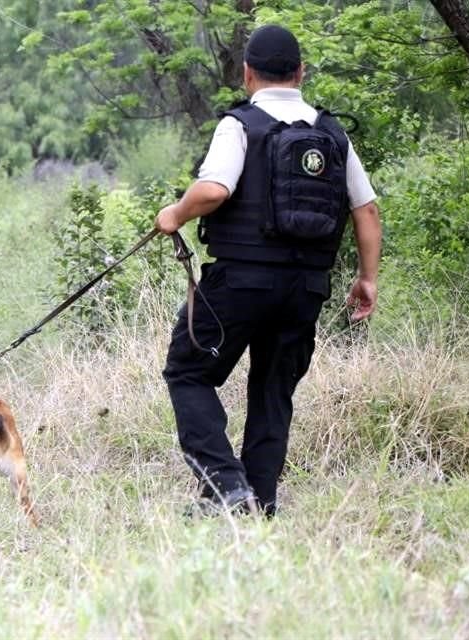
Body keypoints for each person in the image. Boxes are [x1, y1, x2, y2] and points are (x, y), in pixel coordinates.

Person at [154, 24, 382, 517]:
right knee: (273, 391)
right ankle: (259, 503)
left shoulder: (239, 124)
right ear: (300, 73)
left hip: (239, 282)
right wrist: (367, 278)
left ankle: (224, 484)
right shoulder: (332, 132)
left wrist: (174, 213)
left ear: (247, 74)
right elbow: (365, 209)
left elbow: (214, 189)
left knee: (188, 372)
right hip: (305, 287)